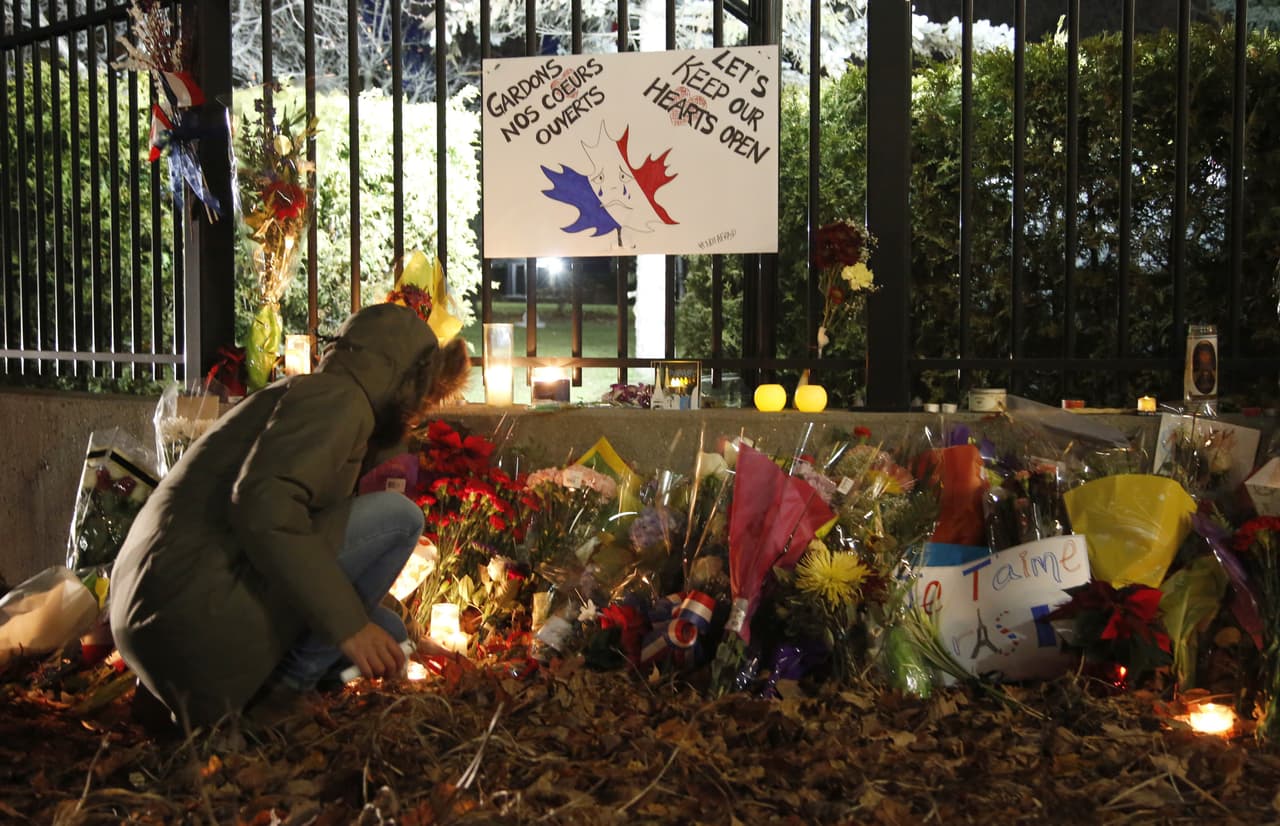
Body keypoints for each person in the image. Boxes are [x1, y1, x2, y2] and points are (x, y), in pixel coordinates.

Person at [110, 303, 469, 728]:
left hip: (156, 618)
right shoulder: (340, 401)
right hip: (189, 615)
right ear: (403, 381)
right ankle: (283, 696)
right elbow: (265, 506)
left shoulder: (306, 392)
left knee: (392, 637)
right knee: (399, 519)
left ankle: (196, 698)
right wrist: (350, 626)